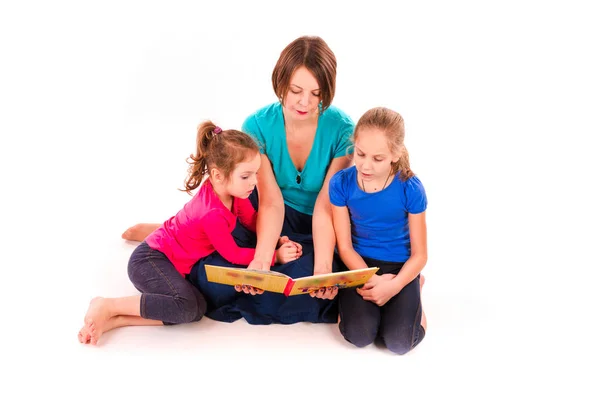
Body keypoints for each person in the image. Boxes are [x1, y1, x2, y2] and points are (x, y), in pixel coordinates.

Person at [121, 36, 354, 324]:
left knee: (310, 283)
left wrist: (321, 269)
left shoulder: (343, 130)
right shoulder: (257, 124)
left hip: (320, 223)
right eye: (296, 90)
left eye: (316, 94)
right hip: (264, 216)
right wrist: (261, 259)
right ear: (281, 83)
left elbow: (325, 207)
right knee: (219, 276)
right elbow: (270, 202)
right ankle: (175, 231)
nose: (305, 102)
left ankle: (179, 230)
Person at [78, 122, 301, 345]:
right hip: (151, 261)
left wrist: (274, 239)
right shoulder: (212, 213)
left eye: (255, 174)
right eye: (246, 176)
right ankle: (108, 305)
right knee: (185, 306)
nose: (254, 182)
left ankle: (118, 320)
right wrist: (275, 256)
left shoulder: (235, 193)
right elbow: (232, 255)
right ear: (218, 175)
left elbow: (252, 221)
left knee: (196, 310)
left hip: (174, 259)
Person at [328, 107, 428, 354]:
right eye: (360, 154)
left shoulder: (410, 188)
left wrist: (394, 286)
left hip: (399, 268)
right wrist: (371, 280)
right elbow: (345, 247)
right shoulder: (341, 184)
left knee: (399, 343)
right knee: (359, 336)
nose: (366, 165)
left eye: (378, 158)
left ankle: (417, 288)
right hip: (359, 265)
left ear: (395, 154)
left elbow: (420, 255)